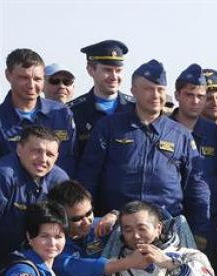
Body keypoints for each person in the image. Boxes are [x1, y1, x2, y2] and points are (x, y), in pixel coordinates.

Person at [76, 59, 210, 240]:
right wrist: (85, 220)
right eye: (148, 89)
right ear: (133, 91)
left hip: (166, 229)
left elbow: (197, 187)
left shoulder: (181, 135)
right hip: (116, 227)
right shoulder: (109, 127)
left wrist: (199, 232)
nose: (156, 95)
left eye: (160, 90)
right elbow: (88, 176)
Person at [170, 64, 217, 269]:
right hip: (170, 220)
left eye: (200, 96)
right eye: (189, 95)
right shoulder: (162, 129)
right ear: (177, 95)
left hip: (212, 223)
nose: (195, 101)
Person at [0, 48, 77, 175]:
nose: (31, 85)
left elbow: (70, 159)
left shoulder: (61, 114)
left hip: (57, 186)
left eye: (37, 79)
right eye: (24, 78)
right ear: (8, 75)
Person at [0, 125, 68, 263]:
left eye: (50, 154)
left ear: (57, 157)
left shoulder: (60, 180)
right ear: (19, 149)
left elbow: (70, 226)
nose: (43, 159)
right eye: (36, 151)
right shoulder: (4, 176)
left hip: (40, 259)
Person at [68, 39, 134, 159]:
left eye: (118, 71)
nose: (114, 77)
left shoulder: (136, 108)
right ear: (90, 70)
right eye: (107, 70)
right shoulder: (73, 111)